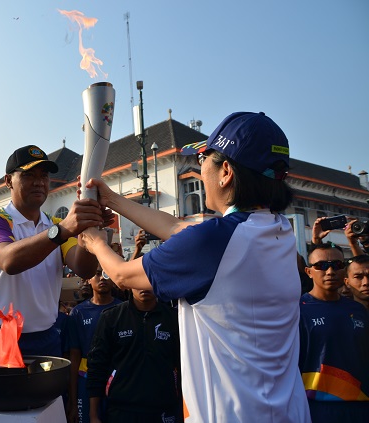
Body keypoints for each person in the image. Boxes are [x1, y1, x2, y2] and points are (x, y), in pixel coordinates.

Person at [80, 112, 310, 422]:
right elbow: (176, 227)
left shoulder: (215, 241)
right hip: (287, 411)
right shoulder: (280, 232)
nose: (199, 169)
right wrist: (112, 200)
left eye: (203, 159)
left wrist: (94, 242)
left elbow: (121, 274)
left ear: (225, 171)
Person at [0, 145, 109, 358]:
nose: (39, 182)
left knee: (48, 393)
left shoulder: (54, 225)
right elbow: (9, 261)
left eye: (44, 176)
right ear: (8, 181)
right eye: (28, 175)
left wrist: (89, 226)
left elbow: (84, 268)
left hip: (45, 337)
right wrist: (64, 229)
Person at [87, 287, 181, 423]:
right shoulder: (111, 317)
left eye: (147, 279)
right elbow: (97, 366)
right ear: (129, 282)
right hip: (121, 412)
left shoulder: (174, 318)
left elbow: (185, 367)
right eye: (138, 280)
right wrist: (93, 415)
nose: (143, 286)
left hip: (164, 411)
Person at [300, 243, 369, 422]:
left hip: (360, 405)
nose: (330, 271)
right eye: (321, 266)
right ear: (308, 272)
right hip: (317, 408)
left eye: (337, 265)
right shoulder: (297, 310)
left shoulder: (357, 309)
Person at [67, 267, 123, 423]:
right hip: (86, 381)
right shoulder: (78, 313)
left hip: (117, 381)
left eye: (107, 273)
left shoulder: (124, 310)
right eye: (97, 274)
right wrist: (73, 401)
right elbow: (74, 356)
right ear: (88, 279)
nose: (102, 278)